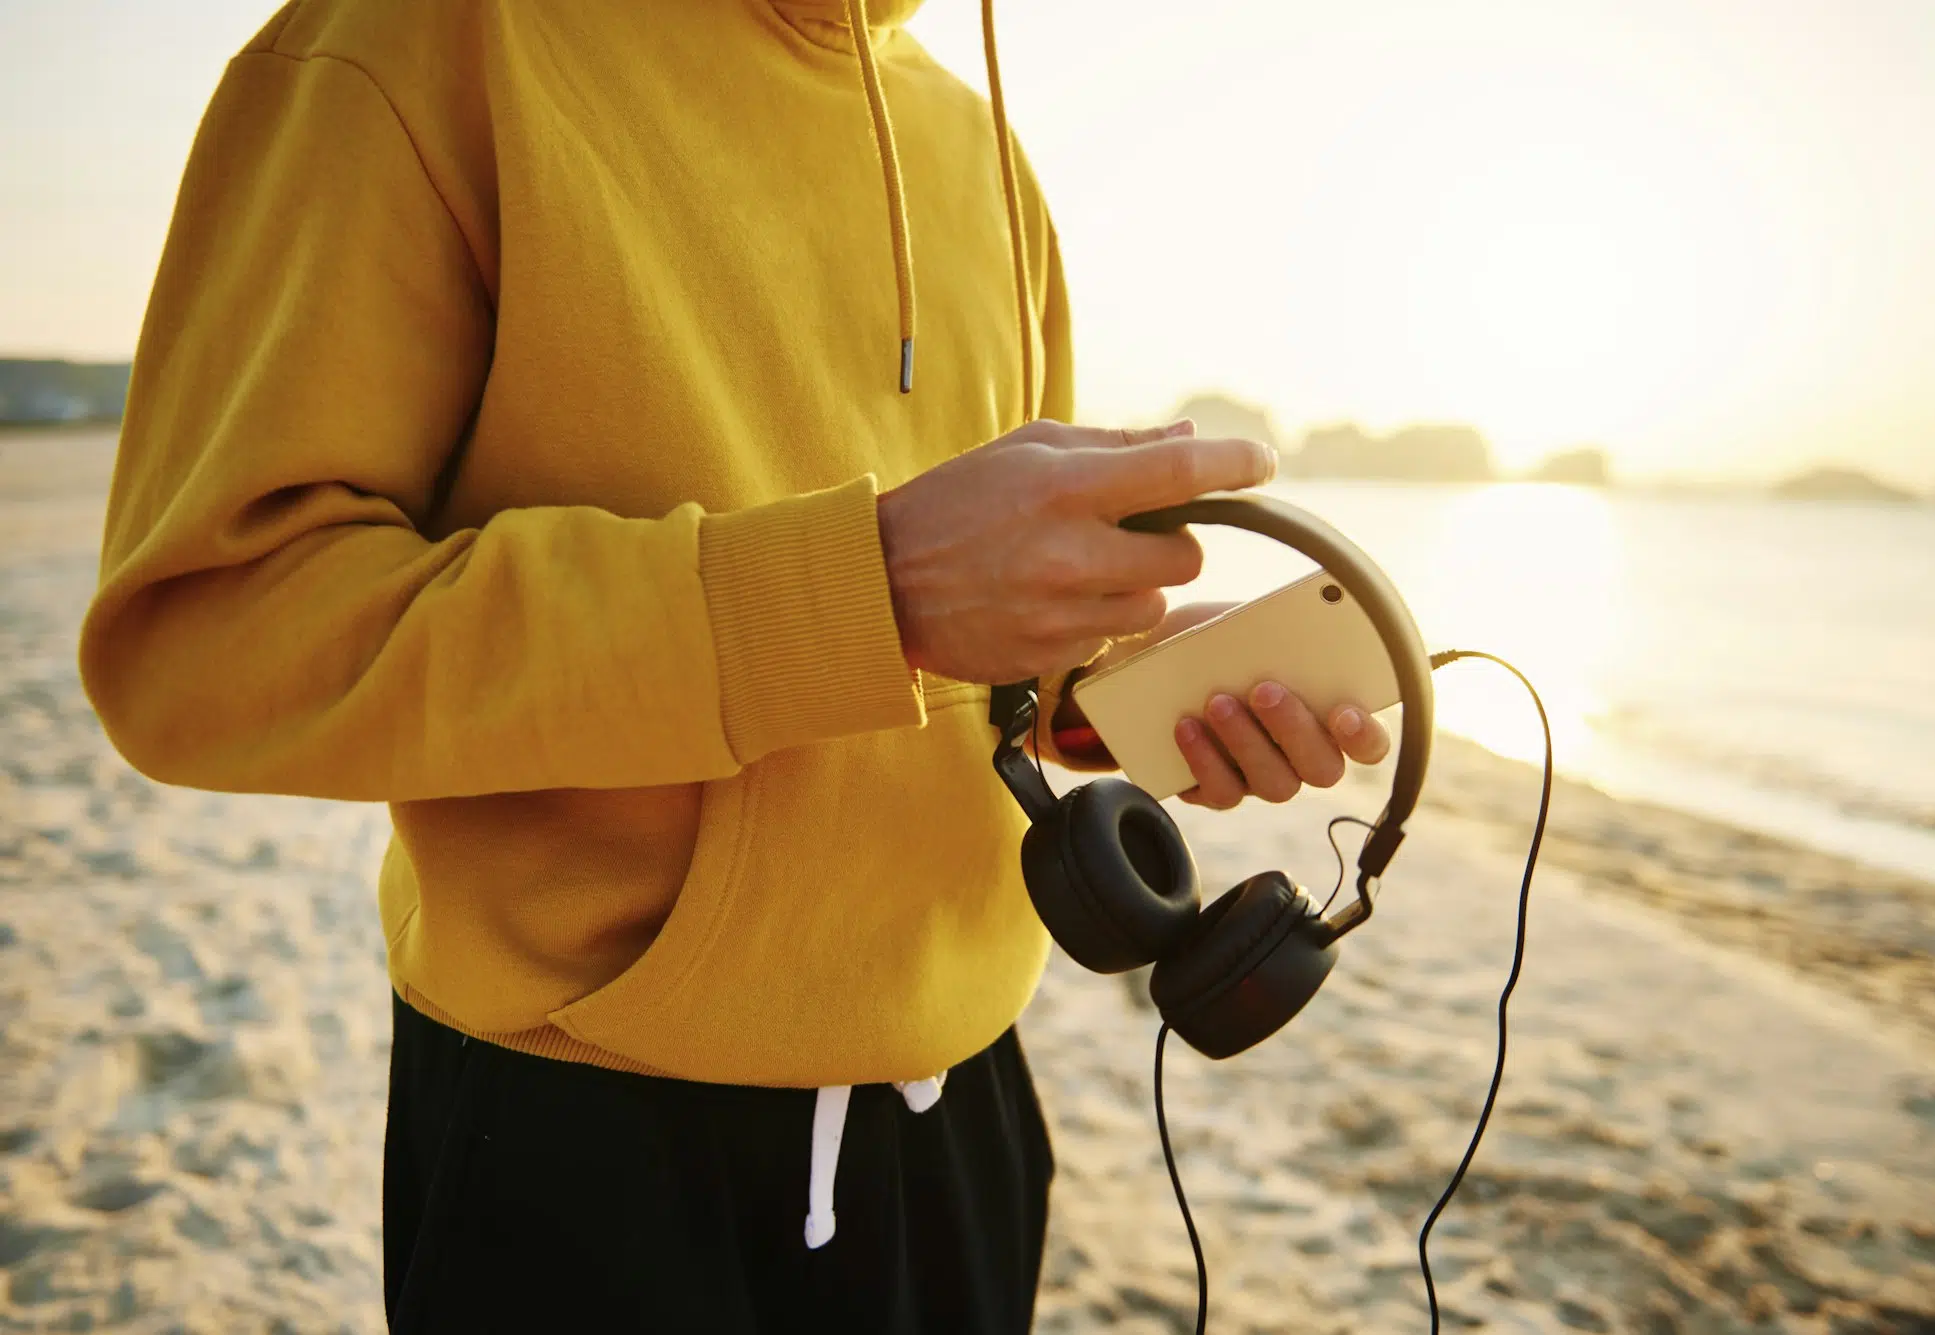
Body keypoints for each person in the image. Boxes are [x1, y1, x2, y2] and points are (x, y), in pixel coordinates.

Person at [80, 1, 1391, 1330]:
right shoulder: (418, 39)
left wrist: (1102, 684)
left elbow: (948, 642)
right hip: (588, 1141)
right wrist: (862, 591)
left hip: (967, 1117)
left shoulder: (983, 147)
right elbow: (213, 638)